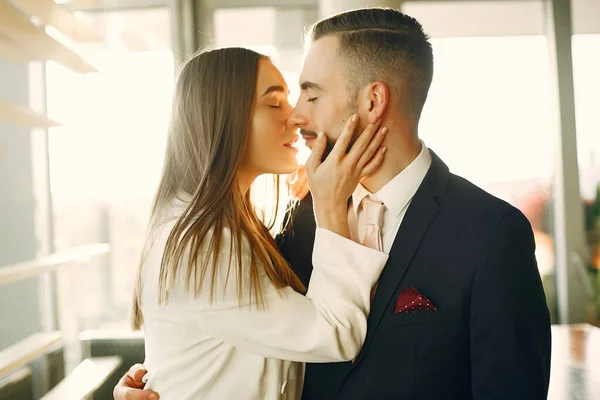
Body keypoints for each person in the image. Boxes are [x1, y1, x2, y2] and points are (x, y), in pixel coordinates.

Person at [115, 8, 552, 400]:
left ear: (373, 101)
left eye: (311, 94)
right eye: (282, 100)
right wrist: (160, 379)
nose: (297, 115)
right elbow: (219, 331)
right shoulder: (293, 224)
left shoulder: (490, 233)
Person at [126, 46, 392, 400]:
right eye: (274, 103)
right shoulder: (202, 243)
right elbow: (335, 335)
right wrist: (331, 208)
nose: (297, 116)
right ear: (222, 117)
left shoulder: (220, 224)